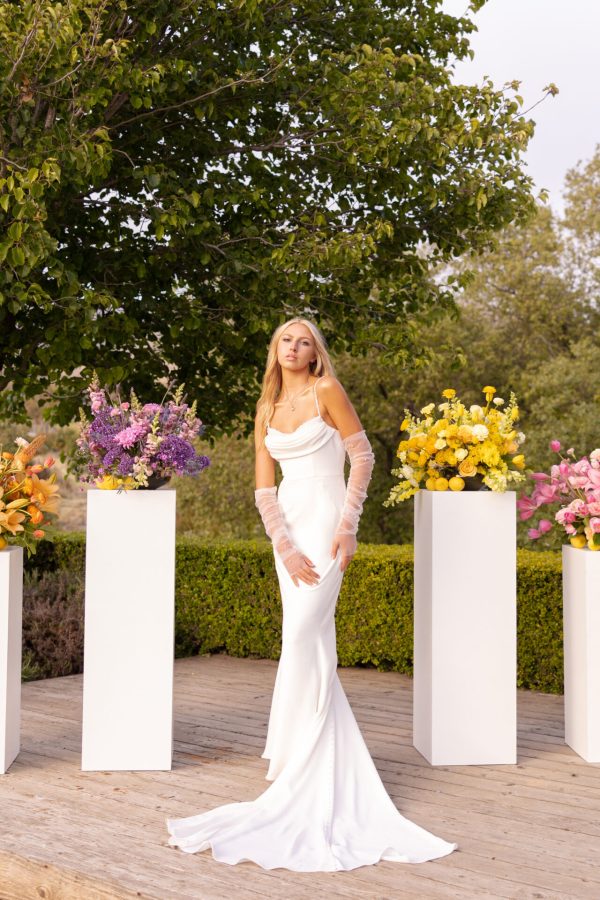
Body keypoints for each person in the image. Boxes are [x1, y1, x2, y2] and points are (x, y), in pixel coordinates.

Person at [166, 317, 457, 871]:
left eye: (304, 341)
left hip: (326, 522)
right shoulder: (266, 408)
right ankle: (313, 759)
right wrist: (281, 542)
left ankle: (298, 762)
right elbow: (262, 485)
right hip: (290, 531)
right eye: (286, 341)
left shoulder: (327, 390)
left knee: (302, 636)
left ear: (314, 351)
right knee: (306, 639)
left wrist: (348, 524)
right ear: (275, 350)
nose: (295, 348)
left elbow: (364, 456)